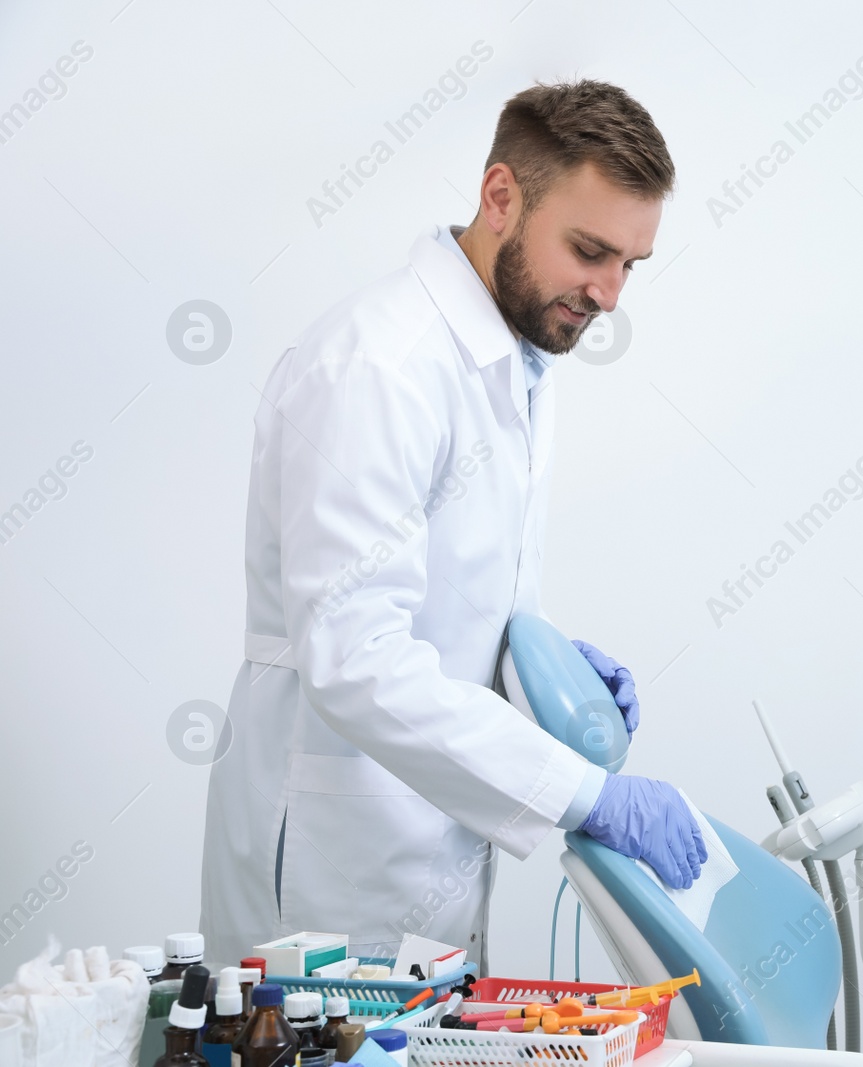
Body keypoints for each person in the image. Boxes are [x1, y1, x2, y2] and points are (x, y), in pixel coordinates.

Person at [199, 80, 706, 969]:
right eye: (591, 251)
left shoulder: (512, 356)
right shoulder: (380, 367)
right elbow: (358, 658)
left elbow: (451, 598)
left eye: (632, 263)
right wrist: (585, 794)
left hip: (429, 843)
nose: (611, 294)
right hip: (332, 858)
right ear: (501, 196)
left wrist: (543, 666)